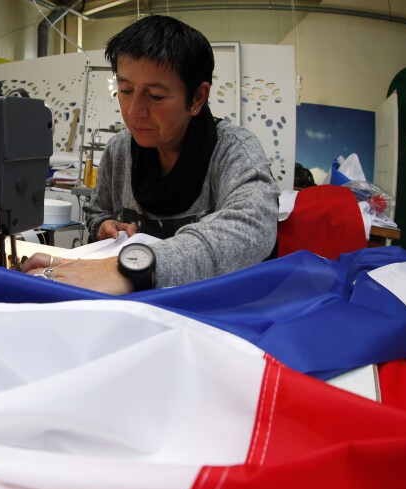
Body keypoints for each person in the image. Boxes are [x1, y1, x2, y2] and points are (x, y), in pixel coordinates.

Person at [22, 15, 279, 294]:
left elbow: (254, 227)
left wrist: (132, 268)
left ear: (197, 98)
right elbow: (97, 212)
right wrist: (104, 225)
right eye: (126, 90)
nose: (133, 111)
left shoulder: (233, 151)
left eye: (155, 95)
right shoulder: (120, 150)